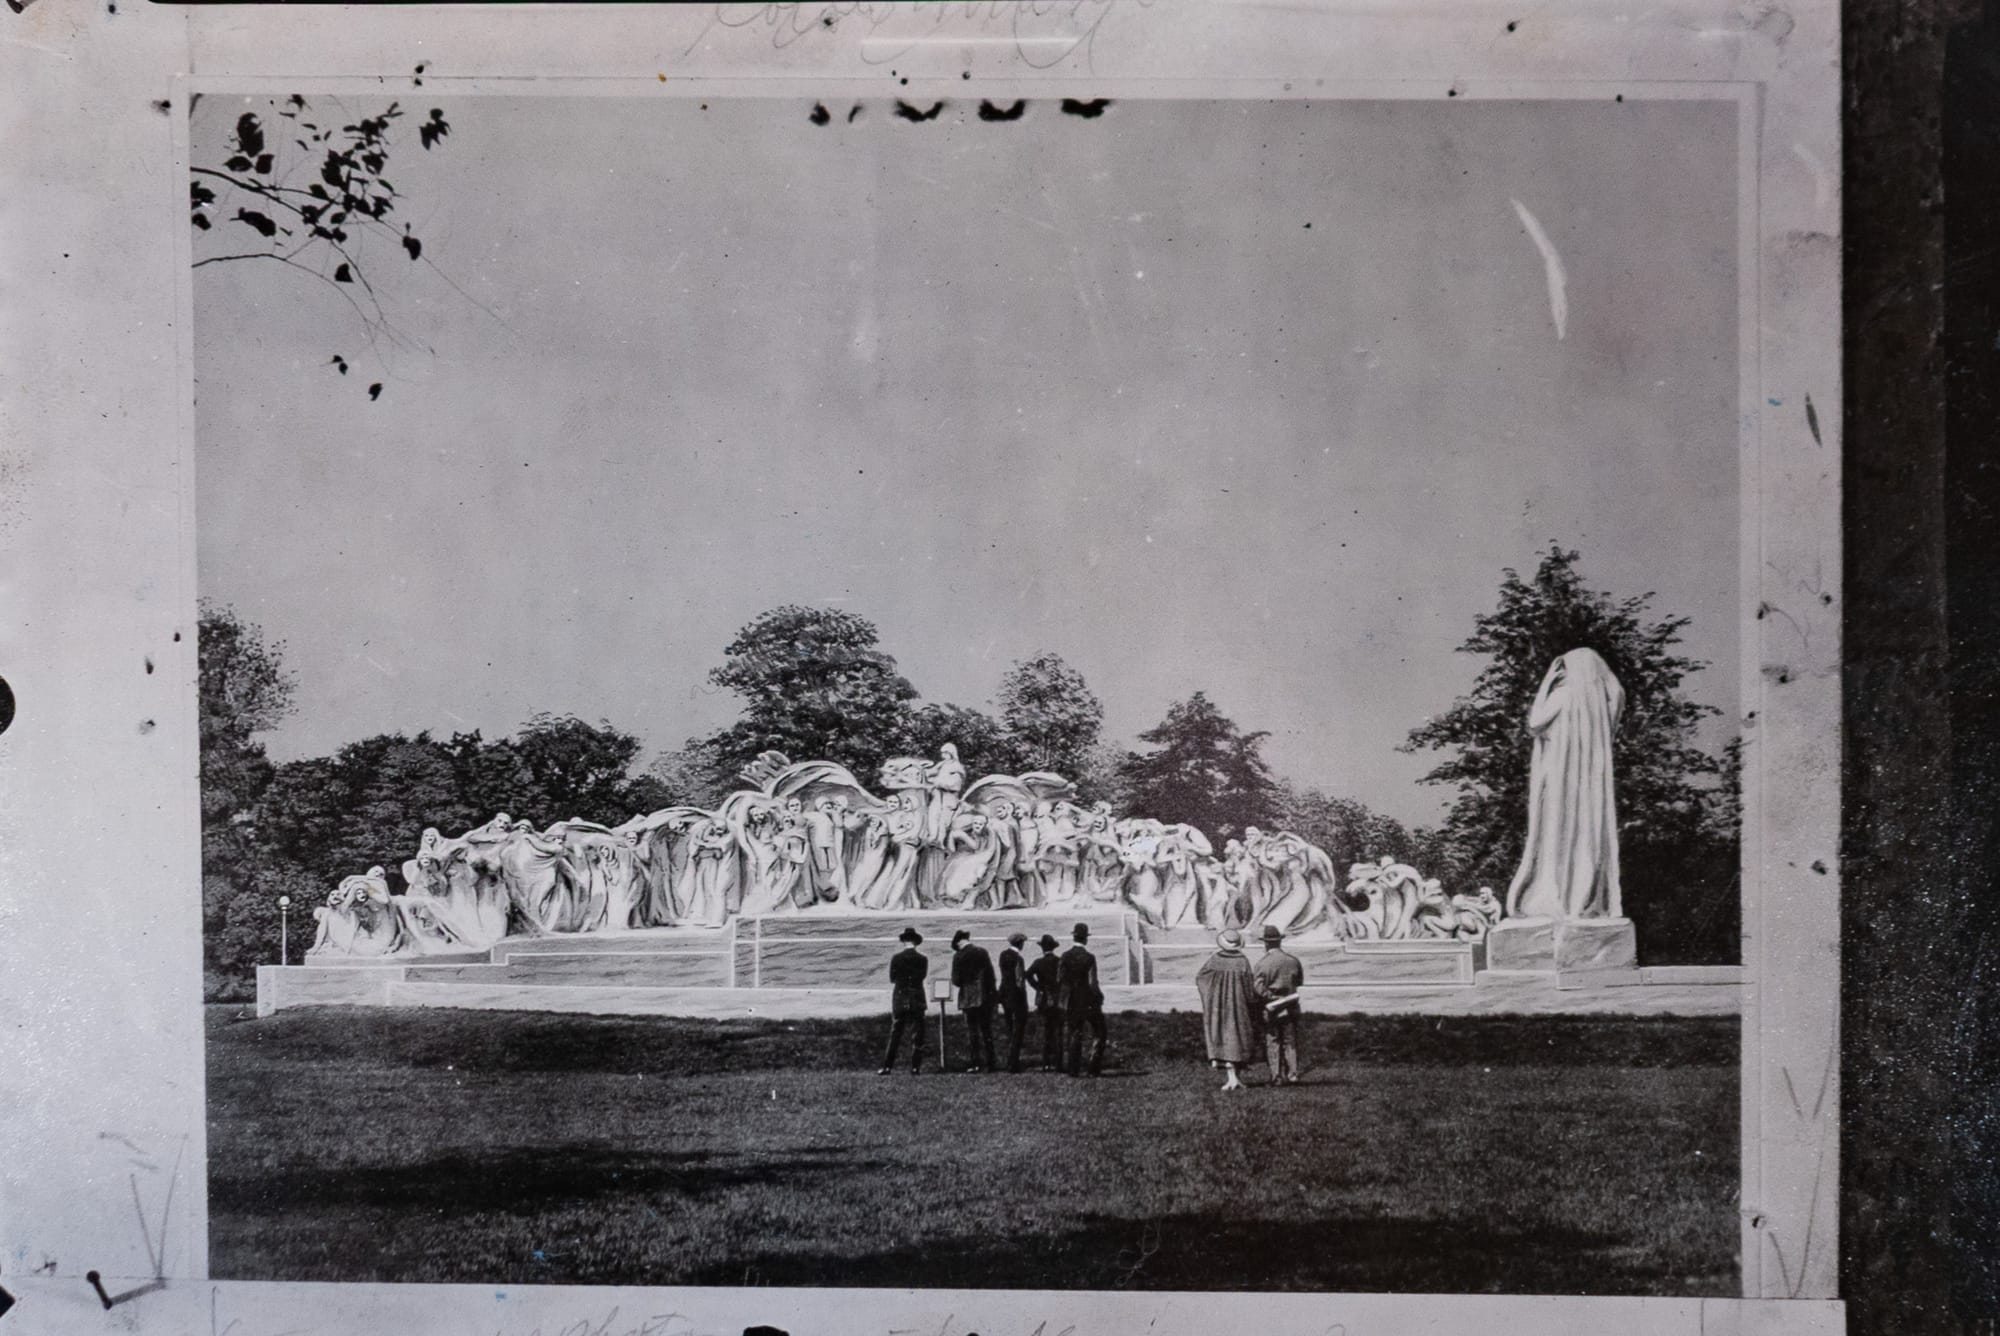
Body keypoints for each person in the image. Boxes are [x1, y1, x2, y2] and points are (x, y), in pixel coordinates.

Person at [1194, 928, 1260, 1091]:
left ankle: (1233, 1078)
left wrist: (1212, 995)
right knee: (1237, 1037)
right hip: (1239, 1005)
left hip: (1219, 1007)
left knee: (1223, 1036)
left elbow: (1201, 978)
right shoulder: (1243, 961)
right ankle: (1234, 1077)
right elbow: (1249, 986)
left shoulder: (1215, 960)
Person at [1252, 922, 1305, 1085]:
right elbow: (1299, 982)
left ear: (1266, 943)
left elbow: (1258, 987)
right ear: (1279, 941)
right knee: (1290, 1041)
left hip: (1272, 1007)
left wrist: (1270, 996)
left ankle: (1276, 1077)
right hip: (1290, 1006)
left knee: (1273, 1041)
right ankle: (1293, 1074)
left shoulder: (1262, 963)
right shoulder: (1293, 961)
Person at [1057, 921, 1107, 1077]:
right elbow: (1093, 982)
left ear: (1074, 937)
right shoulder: (1089, 957)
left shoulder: (1065, 956)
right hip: (1088, 999)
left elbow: (1060, 978)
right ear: (1085, 939)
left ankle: (1073, 1069)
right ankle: (1093, 1067)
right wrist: (1099, 997)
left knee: (1074, 1033)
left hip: (1072, 999)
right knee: (1100, 1031)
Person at [879, 927, 929, 1074]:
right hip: (917, 997)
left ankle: (887, 1066)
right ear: (916, 942)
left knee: (895, 1033)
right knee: (917, 1034)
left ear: (904, 941)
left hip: (900, 997)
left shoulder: (896, 958)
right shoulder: (922, 959)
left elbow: (892, 979)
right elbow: (922, 977)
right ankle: (915, 1067)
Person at [950, 929, 998, 1072]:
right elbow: (991, 975)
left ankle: (975, 1063)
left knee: (972, 1032)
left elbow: (956, 980)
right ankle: (991, 1062)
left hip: (968, 997)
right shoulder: (982, 952)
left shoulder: (958, 956)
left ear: (958, 942)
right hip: (984, 996)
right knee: (987, 1031)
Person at [1025, 932, 1063, 1071]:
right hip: (1058, 997)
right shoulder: (1059, 961)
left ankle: (1046, 1063)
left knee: (1047, 1031)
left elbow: (1027, 975)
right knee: (1058, 1031)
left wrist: (1038, 987)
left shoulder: (1038, 962)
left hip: (1044, 998)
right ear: (1053, 948)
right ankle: (1059, 1063)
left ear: (1042, 948)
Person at [997, 931, 1031, 1073]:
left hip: (1005, 994)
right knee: (1018, 1030)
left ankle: (1010, 1060)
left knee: (1010, 1028)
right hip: (1016, 997)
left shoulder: (1003, 955)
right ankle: (1013, 1062)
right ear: (1020, 943)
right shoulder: (1018, 959)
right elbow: (1019, 981)